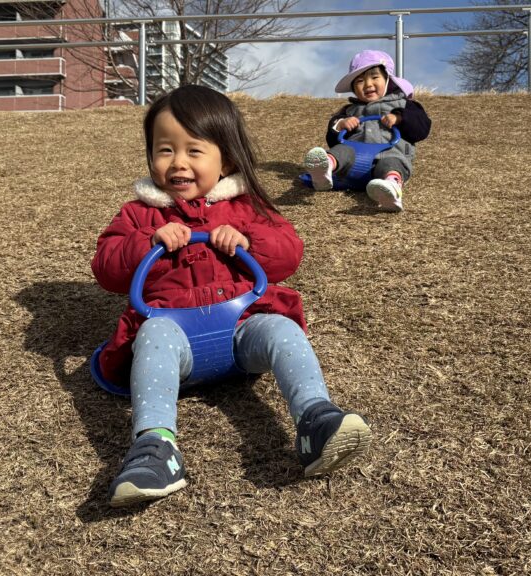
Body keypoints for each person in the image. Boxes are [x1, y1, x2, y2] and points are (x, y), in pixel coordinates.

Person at [91, 84, 372, 507]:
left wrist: (248, 236)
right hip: (178, 337)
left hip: (242, 331)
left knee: (279, 328)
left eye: (194, 151)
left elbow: (288, 253)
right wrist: (147, 240)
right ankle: (155, 446)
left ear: (227, 159)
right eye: (164, 150)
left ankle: (316, 417)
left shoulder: (246, 206)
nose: (177, 163)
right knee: (153, 337)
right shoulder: (139, 213)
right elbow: (106, 267)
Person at [303, 49, 432, 212]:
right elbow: (333, 138)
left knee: (391, 162)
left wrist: (399, 118)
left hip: (389, 153)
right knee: (342, 150)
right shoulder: (350, 110)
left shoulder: (404, 105)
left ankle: (391, 187)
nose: (368, 84)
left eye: (375, 77)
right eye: (360, 81)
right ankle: (324, 169)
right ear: (353, 88)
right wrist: (341, 124)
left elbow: (422, 128)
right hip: (354, 160)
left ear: (387, 80)